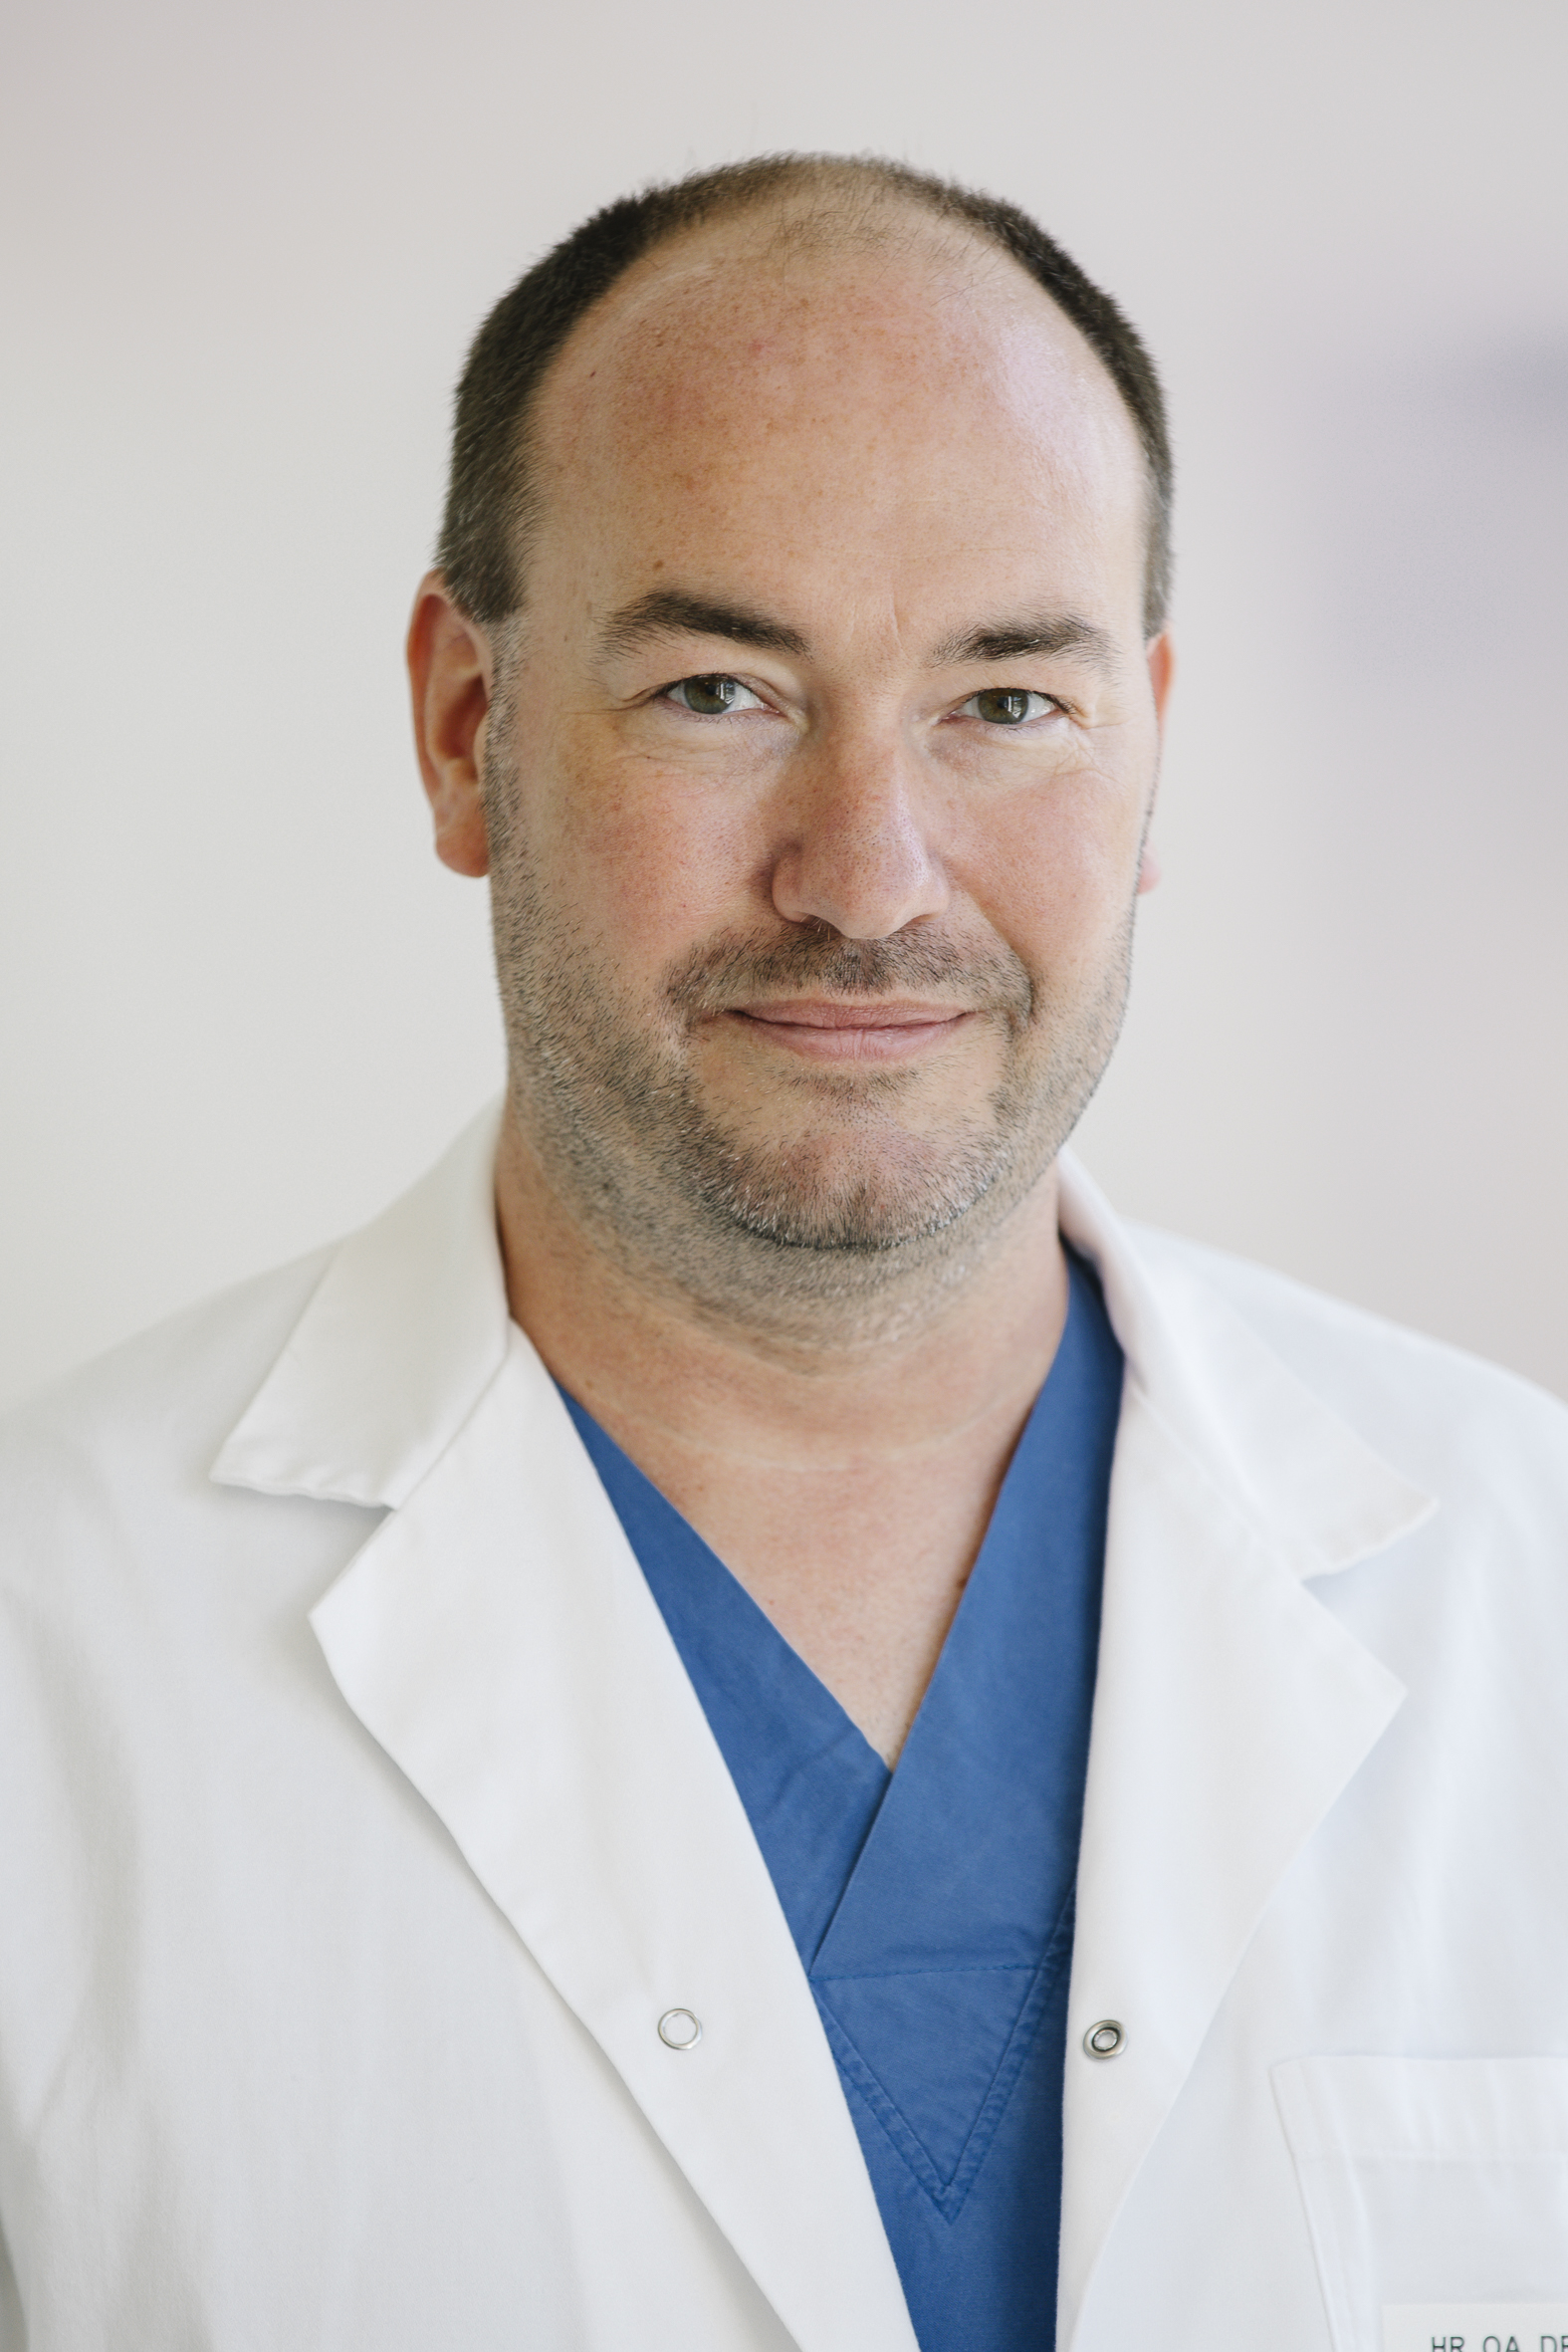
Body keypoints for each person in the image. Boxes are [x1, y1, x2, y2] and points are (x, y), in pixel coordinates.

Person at [2, 152, 1566, 2352]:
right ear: (463, 728)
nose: (867, 875)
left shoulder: (1525, 1584)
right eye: (718, 689)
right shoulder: (50, 1657)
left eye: (1005, 702)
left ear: (1146, 748)